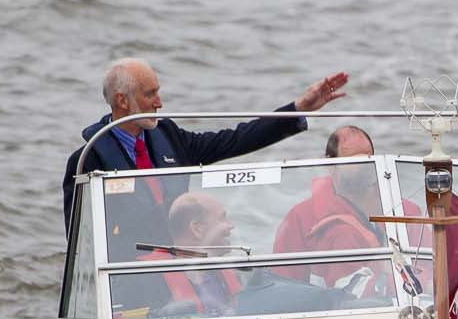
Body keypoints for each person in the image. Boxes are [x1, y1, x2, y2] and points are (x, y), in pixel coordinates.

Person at [63, 59, 348, 245]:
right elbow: (81, 246)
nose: (159, 103)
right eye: (149, 94)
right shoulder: (89, 159)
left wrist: (298, 109)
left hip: (183, 269)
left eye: (157, 92)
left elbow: (236, 139)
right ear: (122, 101)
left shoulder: (168, 136)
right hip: (130, 282)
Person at [273, 125, 386, 286]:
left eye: (368, 159)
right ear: (331, 164)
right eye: (353, 161)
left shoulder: (402, 210)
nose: (363, 166)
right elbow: (284, 284)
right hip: (329, 307)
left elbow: (425, 271)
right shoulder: (299, 218)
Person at [138, 193, 243, 316]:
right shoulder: (144, 277)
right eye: (222, 218)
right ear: (197, 229)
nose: (231, 225)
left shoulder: (233, 274)